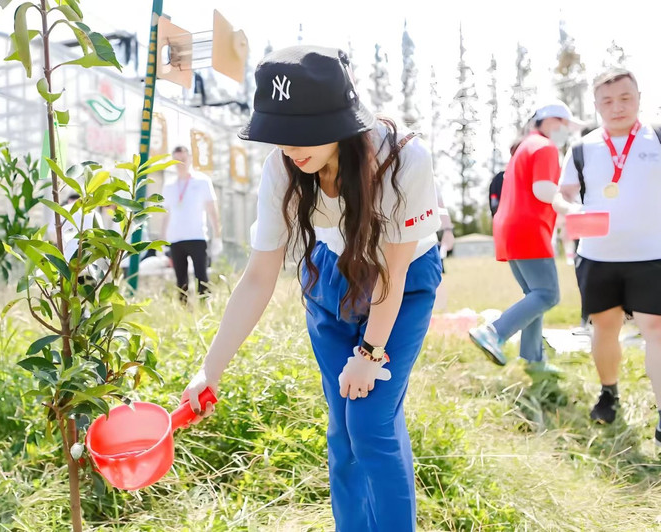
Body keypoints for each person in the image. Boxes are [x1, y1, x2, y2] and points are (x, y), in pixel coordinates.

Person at [181, 46, 442, 531]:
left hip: (401, 285)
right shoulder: (282, 169)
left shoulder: (404, 158)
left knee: (371, 424)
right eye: (279, 134)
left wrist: (370, 352)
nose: (291, 147)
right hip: (330, 279)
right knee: (344, 431)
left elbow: (393, 272)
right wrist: (209, 370)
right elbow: (259, 276)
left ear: (342, 118)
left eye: (303, 131)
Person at [552, 68, 661, 442]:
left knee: (656, 330)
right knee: (605, 328)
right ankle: (609, 392)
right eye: (608, 101)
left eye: (625, 98)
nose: (617, 107)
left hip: (652, 254)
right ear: (596, 104)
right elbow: (563, 193)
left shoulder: (657, 137)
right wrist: (570, 210)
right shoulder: (583, 147)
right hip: (598, 255)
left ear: (639, 98)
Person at [469, 101, 582, 376]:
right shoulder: (544, 147)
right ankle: (493, 332)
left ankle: (533, 360)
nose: (566, 131)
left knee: (534, 295)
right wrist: (572, 208)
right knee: (547, 294)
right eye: (564, 124)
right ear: (550, 122)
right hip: (529, 229)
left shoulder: (525, 146)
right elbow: (543, 190)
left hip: (510, 228)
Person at [160, 146, 223, 303]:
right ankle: (184, 312)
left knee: (201, 275)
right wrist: (162, 241)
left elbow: (212, 211)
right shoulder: (169, 185)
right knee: (180, 280)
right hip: (176, 238)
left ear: (189, 159)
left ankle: (205, 307)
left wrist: (217, 236)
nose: (180, 163)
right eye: (177, 160)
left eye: (183, 159)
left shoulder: (202, 181)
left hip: (197, 236)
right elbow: (165, 215)